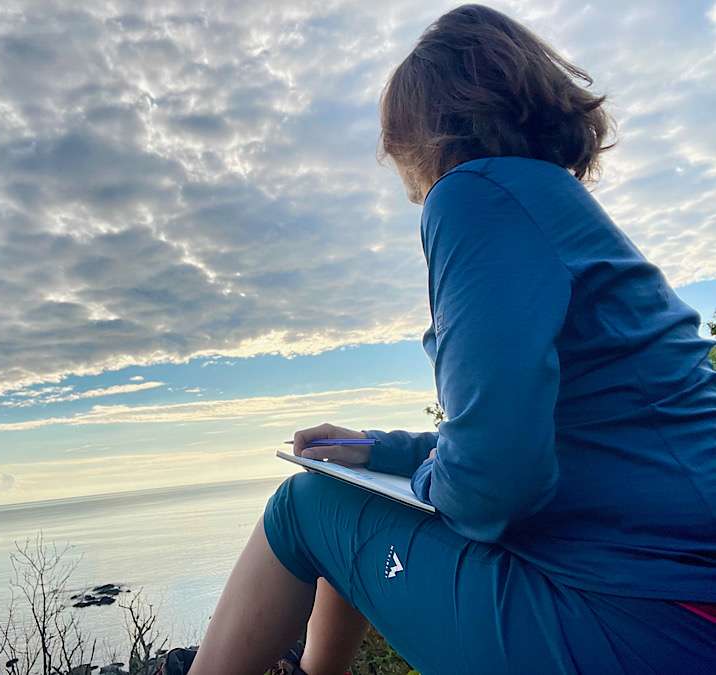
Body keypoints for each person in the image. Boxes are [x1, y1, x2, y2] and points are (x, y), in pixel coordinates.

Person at [167, 4, 716, 674]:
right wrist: (379, 452)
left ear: (425, 131)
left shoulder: (473, 195)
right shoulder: (552, 206)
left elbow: (496, 478)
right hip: (678, 594)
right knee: (348, 488)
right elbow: (549, 438)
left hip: (645, 623)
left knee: (301, 505)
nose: (407, 190)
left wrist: (427, 476)